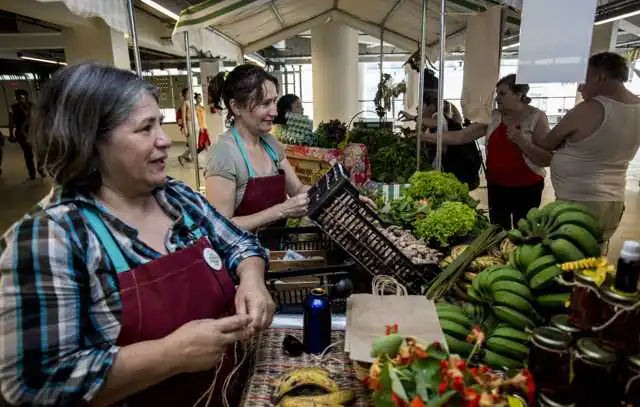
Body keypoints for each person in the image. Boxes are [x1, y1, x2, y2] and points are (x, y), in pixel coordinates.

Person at [0, 63, 275, 406]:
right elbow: (34, 384)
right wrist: (169, 355)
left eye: (159, 122)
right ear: (92, 142)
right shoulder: (51, 238)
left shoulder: (177, 198)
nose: (164, 140)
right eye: (145, 129)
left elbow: (239, 242)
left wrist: (252, 278)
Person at [534, 52, 640, 252]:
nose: (581, 87)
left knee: (568, 259)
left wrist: (531, 130)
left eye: (584, 79)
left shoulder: (590, 108)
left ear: (600, 76)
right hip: (613, 200)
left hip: (581, 201)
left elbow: (547, 142)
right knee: (594, 254)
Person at [421, 74, 552, 229]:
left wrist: (521, 141)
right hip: (497, 186)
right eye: (497, 94)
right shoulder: (493, 116)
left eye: (502, 94)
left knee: (524, 231)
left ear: (519, 95)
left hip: (527, 188)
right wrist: (425, 137)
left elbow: (546, 159)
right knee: (497, 230)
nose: (497, 99)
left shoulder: (536, 118)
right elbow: (462, 136)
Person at [204, 65, 309, 232]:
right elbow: (221, 228)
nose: (274, 112)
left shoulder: (270, 144)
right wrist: (281, 210)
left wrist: (340, 196)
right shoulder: (224, 154)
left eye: (274, 101)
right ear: (236, 107)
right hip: (243, 255)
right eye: (265, 103)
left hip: (277, 249)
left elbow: (297, 190)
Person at [399, 91, 482, 191]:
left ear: (431, 107)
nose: (418, 108)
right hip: (453, 166)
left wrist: (413, 118)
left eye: (421, 105)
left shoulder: (438, 116)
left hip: (457, 167)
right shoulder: (435, 120)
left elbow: (436, 123)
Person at [9, 89, 44, 179]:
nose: (21, 99)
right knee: (28, 153)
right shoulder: (14, 107)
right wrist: (11, 133)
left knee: (40, 152)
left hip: (33, 132)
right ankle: (32, 173)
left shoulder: (33, 106)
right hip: (21, 133)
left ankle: (40, 169)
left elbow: (37, 118)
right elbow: (11, 120)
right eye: (18, 97)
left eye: (22, 97)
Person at [177, 87, 193, 166]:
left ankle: (184, 156)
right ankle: (193, 161)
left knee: (194, 144)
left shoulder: (191, 102)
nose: (190, 94)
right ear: (184, 95)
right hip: (188, 125)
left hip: (194, 125)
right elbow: (183, 118)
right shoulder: (184, 103)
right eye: (188, 93)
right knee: (192, 144)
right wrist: (185, 129)